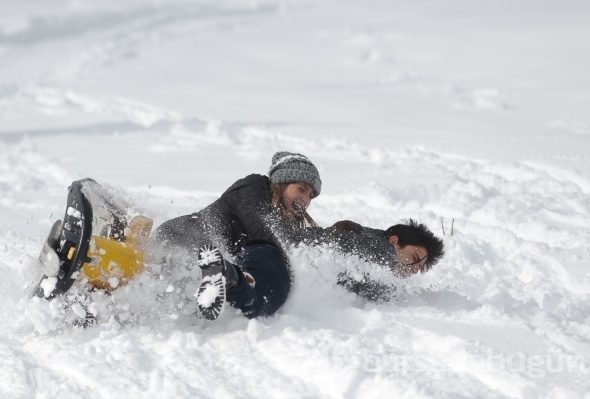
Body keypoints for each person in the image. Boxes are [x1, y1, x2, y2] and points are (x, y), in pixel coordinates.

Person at [152, 151, 322, 320]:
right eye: (301, 189)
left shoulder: (274, 224)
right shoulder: (253, 187)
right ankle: (227, 277)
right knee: (278, 270)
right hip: (184, 237)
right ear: (280, 183)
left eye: (310, 196)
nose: (305, 200)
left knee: (274, 286)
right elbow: (267, 229)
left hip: (197, 258)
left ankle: (228, 278)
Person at [313, 218, 445, 301]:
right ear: (394, 241)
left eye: (419, 267)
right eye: (414, 258)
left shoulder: (381, 261)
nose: (414, 270)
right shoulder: (377, 247)